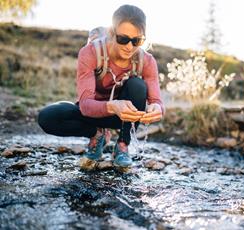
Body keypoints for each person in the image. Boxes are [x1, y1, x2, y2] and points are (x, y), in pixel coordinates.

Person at [38, 4, 164, 169]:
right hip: (92, 113)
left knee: (138, 85)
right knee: (47, 117)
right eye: (123, 39)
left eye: (137, 41)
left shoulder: (147, 61)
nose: (129, 47)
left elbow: (157, 101)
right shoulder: (90, 53)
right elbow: (85, 105)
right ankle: (97, 135)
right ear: (112, 33)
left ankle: (123, 145)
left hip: (123, 118)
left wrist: (157, 109)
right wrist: (112, 106)